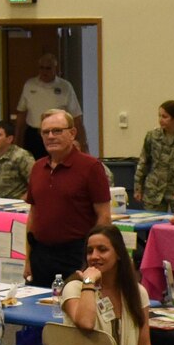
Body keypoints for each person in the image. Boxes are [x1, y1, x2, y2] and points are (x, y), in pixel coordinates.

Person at [56, 223, 151, 345]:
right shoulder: (74, 288)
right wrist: (89, 284)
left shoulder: (136, 292)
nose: (94, 256)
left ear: (118, 254)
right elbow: (86, 322)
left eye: (103, 249)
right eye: (90, 251)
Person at [26, 108, 112, 290]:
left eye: (57, 131)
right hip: (41, 255)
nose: (50, 136)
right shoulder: (37, 168)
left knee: (74, 310)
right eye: (45, 132)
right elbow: (33, 215)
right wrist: (28, 259)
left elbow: (104, 217)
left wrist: (93, 260)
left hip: (76, 254)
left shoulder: (91, 167)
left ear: (72, 133)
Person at [12, 52, 83, 156]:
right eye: (42, 68)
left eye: (48, 68)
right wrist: (17, 140)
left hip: (57, 134)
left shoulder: (65, 86)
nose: (44, 71)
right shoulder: (29, 85)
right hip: (34, 135)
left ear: (55, 69)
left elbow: (76, 117)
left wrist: (81, 141)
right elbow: (21, 114)